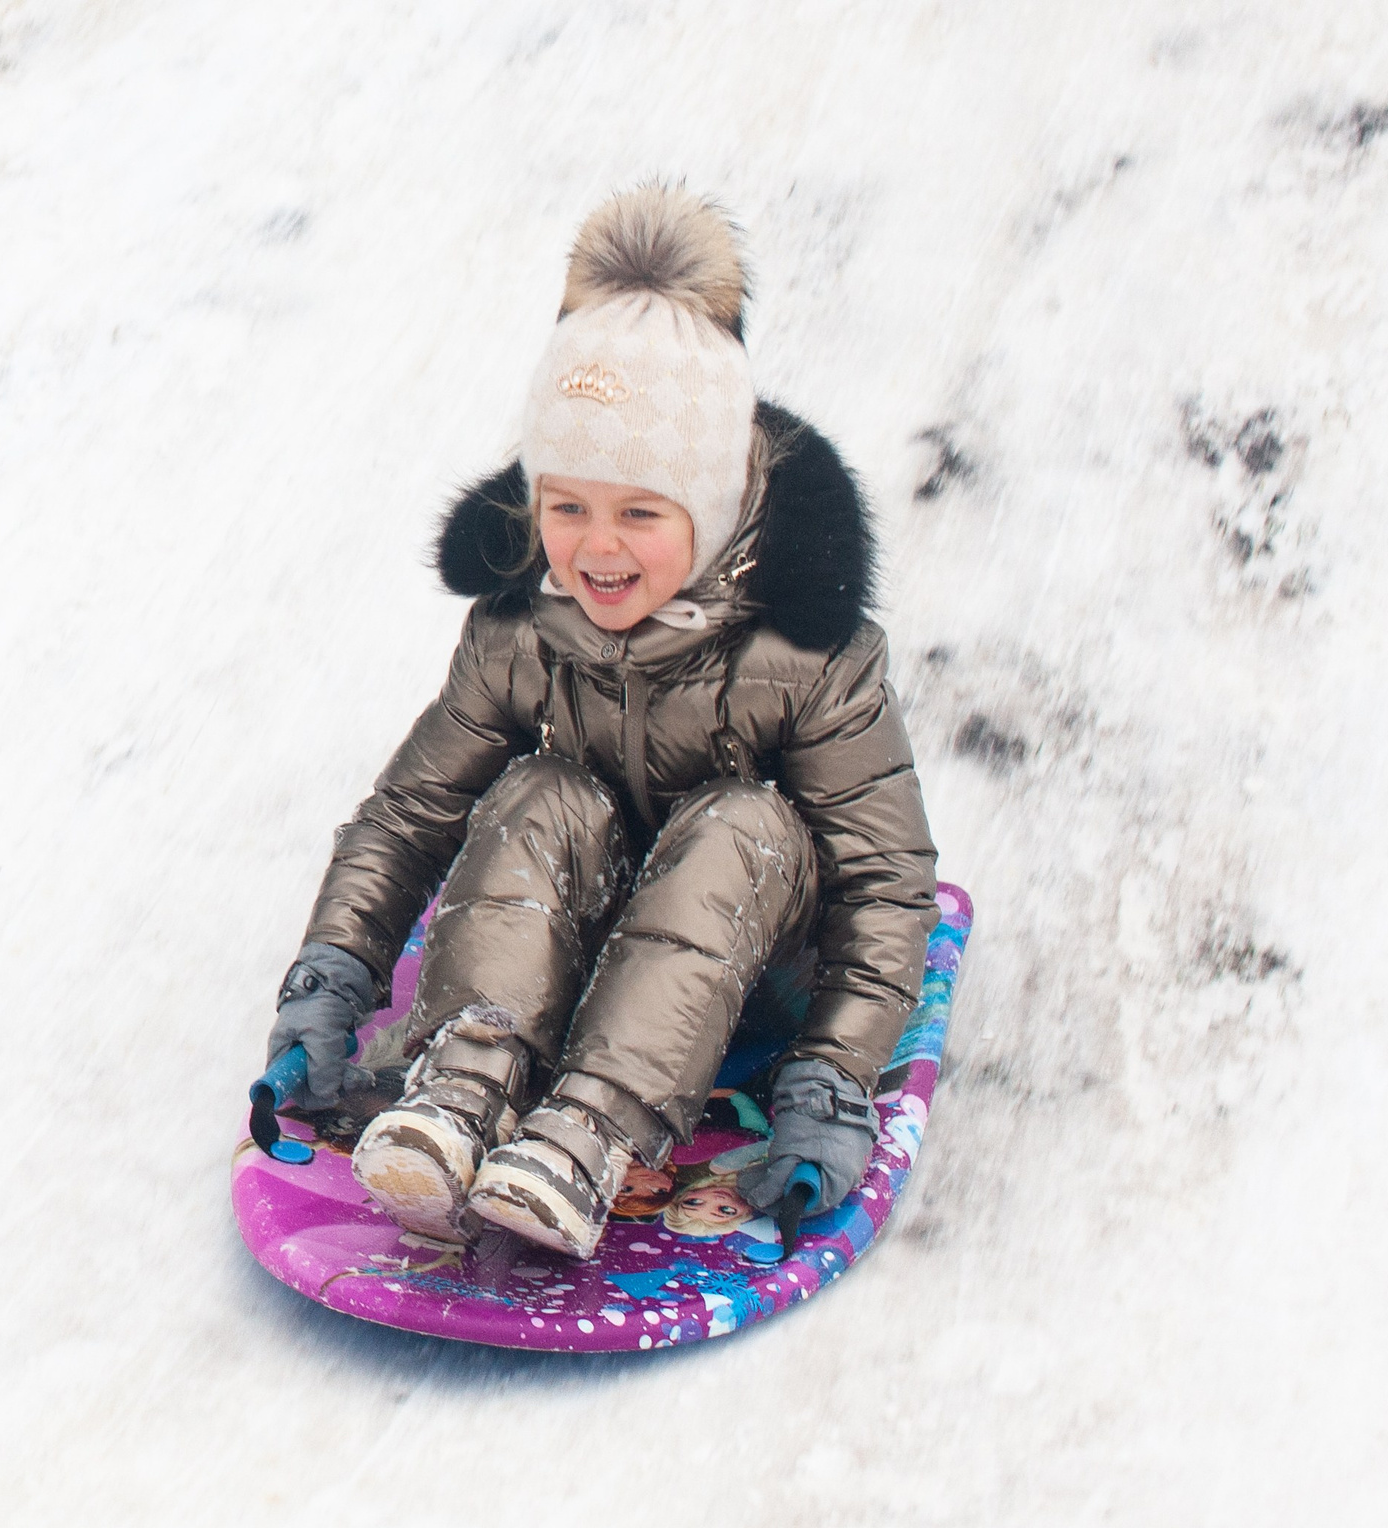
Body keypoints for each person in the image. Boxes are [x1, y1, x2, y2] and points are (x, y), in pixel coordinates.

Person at [265, 185, 937, 1261]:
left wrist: (832, 1075)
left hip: (754, 969)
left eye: (639, 512)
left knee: (740, 822)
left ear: (710, 510)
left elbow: (884, 883)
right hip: (566, 955)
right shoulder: (524, 621)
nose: (595, 547)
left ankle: (586, 1135)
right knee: (539, 791)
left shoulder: (805, 653)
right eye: (565, 506)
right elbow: (409, 812)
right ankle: (458, 1095)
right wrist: (330, 976)